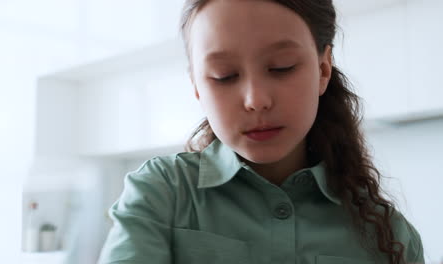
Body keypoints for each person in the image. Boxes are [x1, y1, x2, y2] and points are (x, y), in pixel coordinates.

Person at [98, 0, 425, 263]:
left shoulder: (392, 237)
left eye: (281, 67)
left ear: (323, 69)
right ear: (196, 85)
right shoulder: (162, 194)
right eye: (224, 75)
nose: (256, 100)